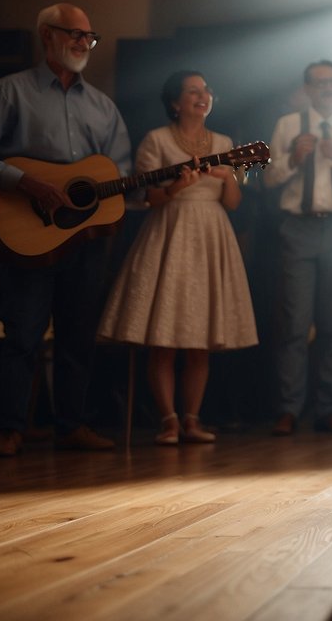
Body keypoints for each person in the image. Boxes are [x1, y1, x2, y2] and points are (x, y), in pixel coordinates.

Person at [0, 3, 129, 456]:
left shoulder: (103, 107)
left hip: (85, 239)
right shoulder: (10, 91)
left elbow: (119, 175)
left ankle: (72, 426)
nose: (83, 43)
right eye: (73, 34)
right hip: (27, 231)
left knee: (78, 335)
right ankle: (10, 429)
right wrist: (27, 183)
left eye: (89, 36)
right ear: (46, 36)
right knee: (23, 334)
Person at [97, 71, 258, 444]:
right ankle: (167, 420)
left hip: (211, 234)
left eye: (206, 90)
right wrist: (176, 186)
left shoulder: (223, 142)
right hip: (169, 231)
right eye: (193, 91)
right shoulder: (156, 140)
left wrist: (226, 177)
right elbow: (144, 198)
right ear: (175, 102)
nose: (203, 96)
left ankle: (192, 420)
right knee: (165, 333)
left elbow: (232, 204)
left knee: (200, 336)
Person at [263, 60, 332, 437]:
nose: (327, 89)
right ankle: (288, 409)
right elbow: (270, 178)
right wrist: (293, 159)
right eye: (320, 83)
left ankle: (327, 408)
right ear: (307, 88)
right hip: (298, 228)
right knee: (293, 323)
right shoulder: (287, 126)